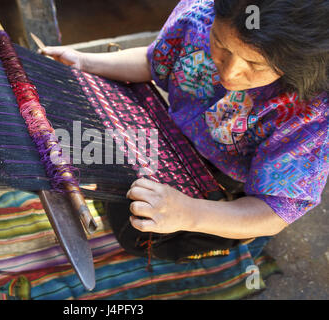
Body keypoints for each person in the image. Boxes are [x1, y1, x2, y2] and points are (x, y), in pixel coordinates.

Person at [39, 0, 328, 259]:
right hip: (171, 136)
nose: (229, 73)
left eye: (255, 64)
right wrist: (85, 61)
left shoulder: (311, 110)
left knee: (139, 236)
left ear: (292, 64)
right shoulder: (198, 18)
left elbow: (274, 210)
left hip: (231, 182)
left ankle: (228, 235)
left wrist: (188, 213)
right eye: (220, 45)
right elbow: (153, 61)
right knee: (119, 190)